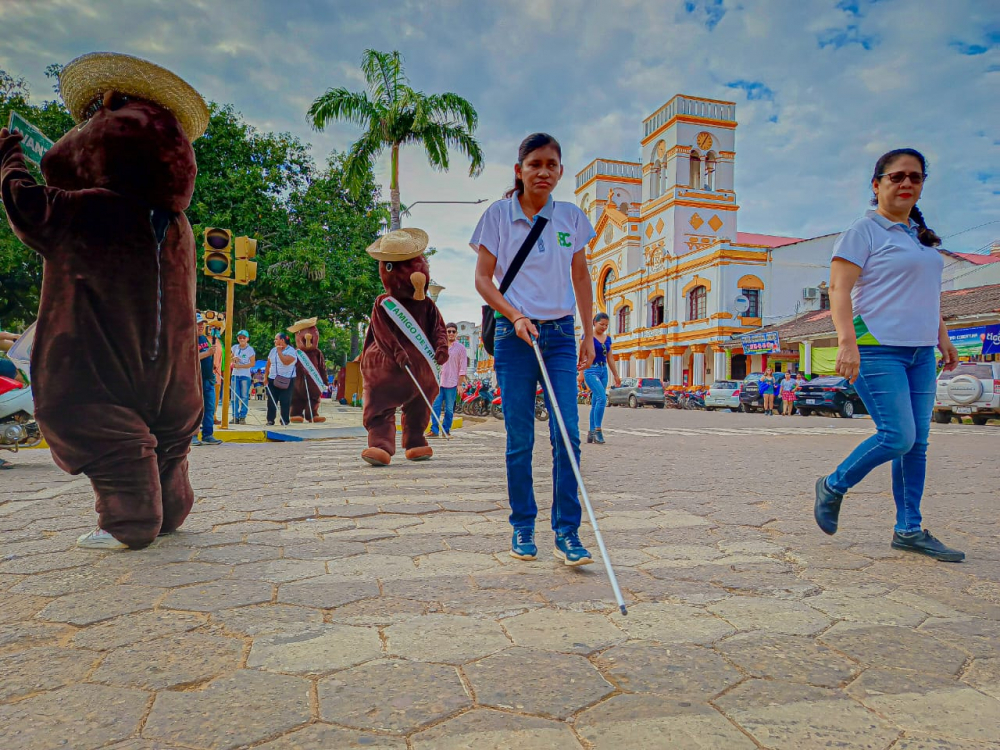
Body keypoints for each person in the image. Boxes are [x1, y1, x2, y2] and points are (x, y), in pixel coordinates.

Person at [814, 147, 963, 562]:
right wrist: (847, 342)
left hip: (920, 353)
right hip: (877, 348)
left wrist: (943, 337)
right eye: (897, 177)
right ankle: (834, 484)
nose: (906, 184)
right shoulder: (864, 230)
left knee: (917, 445)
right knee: (897, 436)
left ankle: (909, 529)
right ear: (877, 184)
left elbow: (927, 296)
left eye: (915, 178)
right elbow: (839, 289)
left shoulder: (918, 237)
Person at [473, 132, 597, 567]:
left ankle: (568, 532)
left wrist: (587, 334)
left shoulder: (572, 218)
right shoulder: (497, 217)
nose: (543, 172)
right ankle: (522, 526)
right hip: (515, 336)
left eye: (551, 164)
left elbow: (581, 277)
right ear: (519, 170)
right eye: (535, 164)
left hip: (561, 336)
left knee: (566, 435)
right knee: (519, 439)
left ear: (561, 171)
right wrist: (515, 315)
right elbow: (483, 280)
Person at [583, 312, 620, 444]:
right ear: (594, 322)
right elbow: (583, 354)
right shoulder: (587, 337)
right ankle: (598, 430)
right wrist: (581, 373)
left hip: (603, 370)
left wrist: (615, 375)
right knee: (602, 398)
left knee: (595, 401)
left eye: (606, 325)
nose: (604, 327)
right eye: (601, 324)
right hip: (590, 369)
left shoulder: (608, 339)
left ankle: (591, 431)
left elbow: (610, 357)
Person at [429, 323, 468, 437]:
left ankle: (446, 430)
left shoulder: (460, 348)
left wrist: (460, 384)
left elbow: (463, 367)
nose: (451, 333)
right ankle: (434, 430)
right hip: (438, 382)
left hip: (452, 383)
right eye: (449, 331)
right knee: (435, 407)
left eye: (453, 331)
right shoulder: (439, 346)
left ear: (456, 333)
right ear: (445, 333)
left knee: (449, 409)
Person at [193, 314, 223, 446]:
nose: (201, 326)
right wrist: (207, 353)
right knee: (195, 409)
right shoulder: (189, 339)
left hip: (208, 378)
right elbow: (188, 358)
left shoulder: (204, 338)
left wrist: (212, 364)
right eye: (198, 323)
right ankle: (192, 435)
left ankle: (207, 434)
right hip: (195, 380)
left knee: (210, 408)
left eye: (202, 324)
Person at [265, 332, 297, 426]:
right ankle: (270, 420)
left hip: (287, 379)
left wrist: (279, 352)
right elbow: (268, 364)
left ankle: (284, 420)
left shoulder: (291, 351)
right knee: (271, 400)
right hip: (272, 378)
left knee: (285, 401)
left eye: (276, 339)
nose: (274, 341)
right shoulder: (273, 350)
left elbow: (286, 362)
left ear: (282, 340)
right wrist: (265, 377)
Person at [229, 330, 255, 424]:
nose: (242, 339)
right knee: (234, 397)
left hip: (245, 375)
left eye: (244, 337)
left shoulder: (250, 349)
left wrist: (240, 366)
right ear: (238, 339)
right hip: (235, 375)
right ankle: (235, 416)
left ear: (247, 339)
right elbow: (229, 358)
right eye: (240, 337)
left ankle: (242, 416)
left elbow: (252, 363)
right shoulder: (235, 347)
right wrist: (233, 359)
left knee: (244, 397)